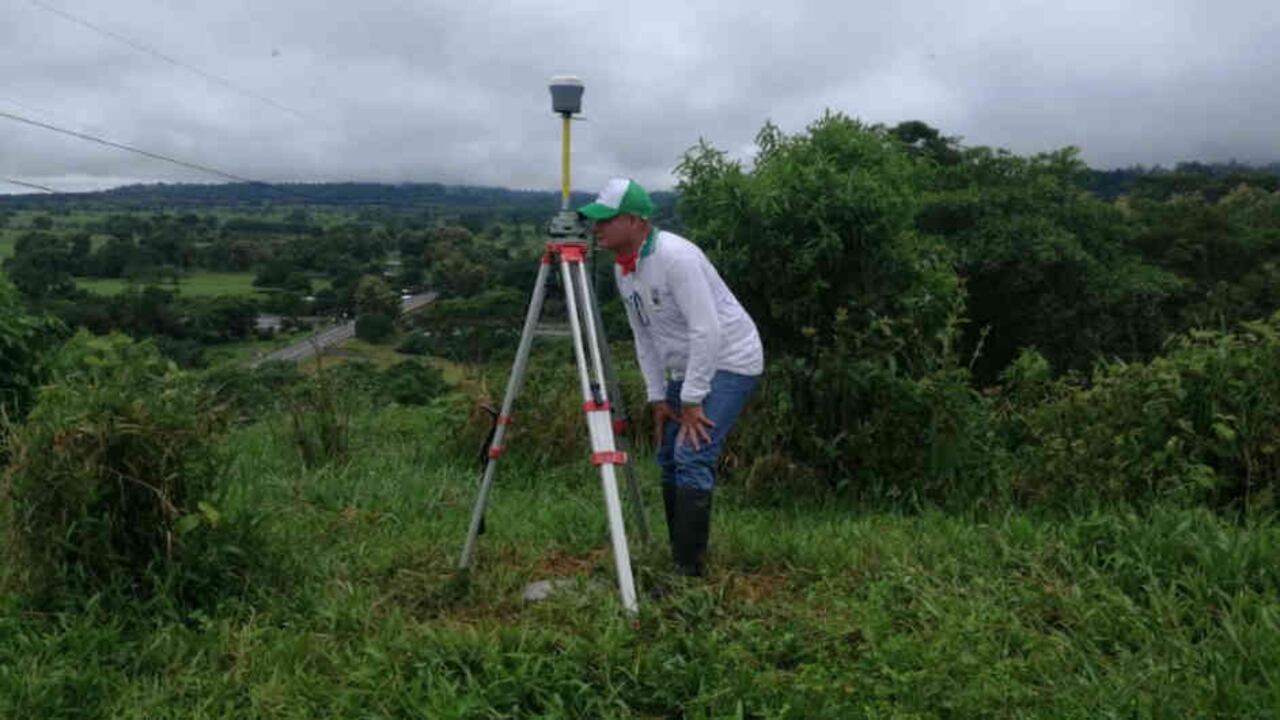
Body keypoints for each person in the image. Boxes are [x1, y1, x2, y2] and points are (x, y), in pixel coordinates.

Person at [578, 178, 763, 577]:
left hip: (730, 358)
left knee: (692, 452)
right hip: (688, 362)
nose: (598, 229)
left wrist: (692, 400)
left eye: (606, 220)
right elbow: (643, 334)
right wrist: (658, 395)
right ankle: (679, 552)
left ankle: (687, 572)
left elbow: (707, 330)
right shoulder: (624, 270)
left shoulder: (676, 258)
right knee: (668, 456)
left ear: (634, 221)